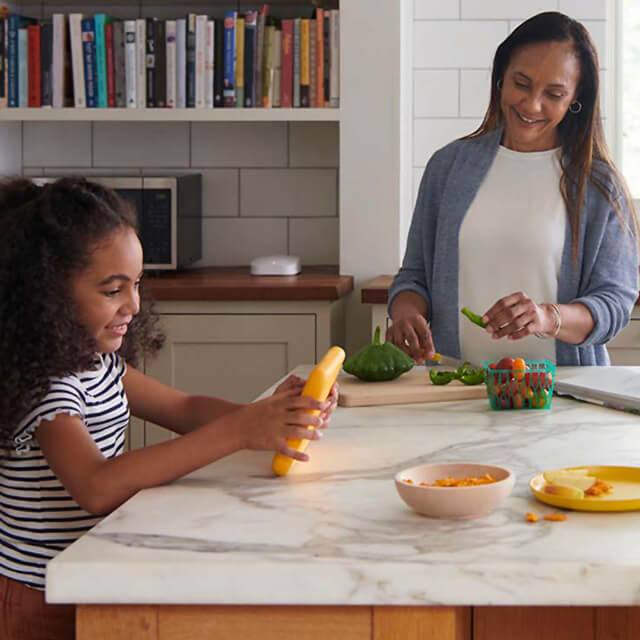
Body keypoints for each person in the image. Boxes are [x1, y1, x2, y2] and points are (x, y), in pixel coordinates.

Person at [0, 176, 338, 640]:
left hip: (85, 574)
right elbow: (95, 486)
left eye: (136, 284)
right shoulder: (47, 387)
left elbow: (183, 407)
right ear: (46, 293)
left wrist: (275, 413)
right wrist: (240, 430)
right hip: (39, 596)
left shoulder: (95, 363)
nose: (134, 305)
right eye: (112, 290)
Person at [387, 11, 639, 367]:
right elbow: (414, 277)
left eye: (553, 94)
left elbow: (614, 304)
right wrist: (405, 314)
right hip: (453, 392)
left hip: (562, 398)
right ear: (501, 78)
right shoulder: (448, 167)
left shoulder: (598, 184)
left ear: (574, 101)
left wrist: (547, 317)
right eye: (521, 83)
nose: (532, 104)